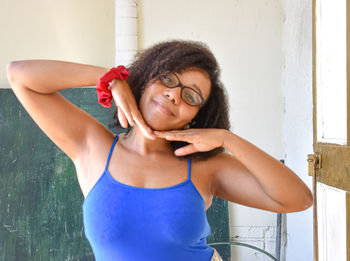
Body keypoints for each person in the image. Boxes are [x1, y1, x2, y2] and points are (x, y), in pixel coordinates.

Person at [7, 39, 313, 261]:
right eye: (167, 78)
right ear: (145, 79)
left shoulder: (208, 168)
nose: (173, 94)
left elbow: (298, 199)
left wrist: (226, 139)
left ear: (197, 116)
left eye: (191, 96)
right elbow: (20, 75)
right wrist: (111, 78)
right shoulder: (92, 146)